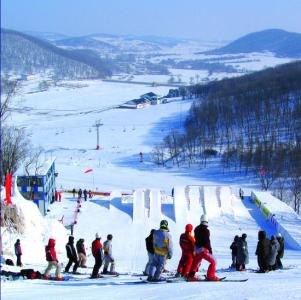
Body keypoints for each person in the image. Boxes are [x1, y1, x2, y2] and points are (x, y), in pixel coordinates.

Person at [188, 214, 220, 281]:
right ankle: (210, 276)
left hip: (197, 249)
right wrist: (210, 251)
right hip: (203, 250)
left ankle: (191, 275)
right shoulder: (206, 231)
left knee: (196, 262)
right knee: (214, 261)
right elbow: (207, 242)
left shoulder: (196, 229)